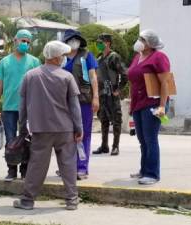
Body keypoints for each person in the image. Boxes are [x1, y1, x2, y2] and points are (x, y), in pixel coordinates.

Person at [13, 41, 83, 211]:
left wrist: (22, 127)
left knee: (37, 165)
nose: (64, 59)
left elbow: (22, 106)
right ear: (57, 57)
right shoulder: (67, 77)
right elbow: (74, 106)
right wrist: (78, 128)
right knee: (67, 164)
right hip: (65, 129)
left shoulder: (30, 76)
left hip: (40, 129)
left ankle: (28, 201)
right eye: (63, 56)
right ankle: (72, 200)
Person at [0, 29, 41, 182]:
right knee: (10, 140)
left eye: (27, 42)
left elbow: (38, 85)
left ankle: (25, 170)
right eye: (22, 40)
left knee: (26, 139)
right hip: (9, 108)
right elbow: (0, 85)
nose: (25, 43)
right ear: (15, 41)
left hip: (28, 108)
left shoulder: (34, 62)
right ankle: (11, 170)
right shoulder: (5, 62)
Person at [128, 30, 171, 185]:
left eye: (142, 39)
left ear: (150, 44)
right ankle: (144, 170)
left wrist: (162, 106)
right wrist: (131, 104)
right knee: (142, 139)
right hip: (138, 103)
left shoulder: (159, 57)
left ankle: (152, 174)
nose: (139, 41)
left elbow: (165, 82)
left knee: (150, 138)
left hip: (152, 103)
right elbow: (133, 81)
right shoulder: (137, 57)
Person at [61, 29, 99, 180]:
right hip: (63, 102)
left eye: (76, 39)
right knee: (65, 136)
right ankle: (68, 166)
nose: (73, 41)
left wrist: (96, 97)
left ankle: (82, 167)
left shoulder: (87, 56)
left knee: (83, 134)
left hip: (83, 100)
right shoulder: (61, 57)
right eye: (71, 39)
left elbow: (93, 77)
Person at [93, 33, 128, 156]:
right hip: (102, 94)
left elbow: (124, 74)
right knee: (104, 120)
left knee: (116, 120)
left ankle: (115, 146)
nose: (98, 45)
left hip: (112, 93)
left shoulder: (114, 57)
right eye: (97, 42)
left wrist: (118, 89)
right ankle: (104, 145)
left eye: (100, 42)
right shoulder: (98, 58)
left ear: (107, 43)